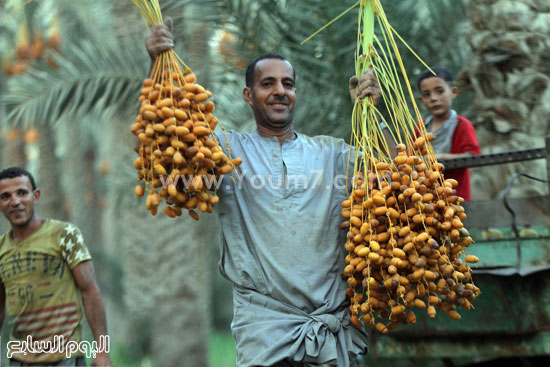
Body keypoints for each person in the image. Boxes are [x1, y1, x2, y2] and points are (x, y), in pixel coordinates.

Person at [146, 21, 395, 367]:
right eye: (268, 84)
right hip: (265, 334)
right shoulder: (226, 151)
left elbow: (393, 176)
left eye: (288, 84)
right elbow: (174, 158)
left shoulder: (332, 154)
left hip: (332, 332)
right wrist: (158, 64)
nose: (280, 91)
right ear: (249, 95)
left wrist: (372, 111)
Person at [0, 167, 112, 367]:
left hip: (65, 358)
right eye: (5, 196)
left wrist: (102, 352)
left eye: (22, 193)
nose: (15, 202)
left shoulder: (64, 235)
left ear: (36, 196)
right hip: (20, 360)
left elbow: (90, 292)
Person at [416, 67, 481, 201]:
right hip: (425, 198)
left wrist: (440, 157)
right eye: (427, 94)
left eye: (439, 91)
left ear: (453, 92)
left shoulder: (462, 125)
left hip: (455, 198)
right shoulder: (420, 127)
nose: (433, 98)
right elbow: (409, 157)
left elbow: (473, 156)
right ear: (422, 101)